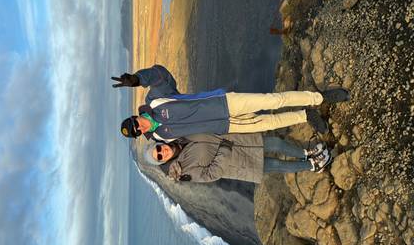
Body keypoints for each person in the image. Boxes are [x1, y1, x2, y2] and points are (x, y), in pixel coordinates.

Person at [113, 65, 350, 142]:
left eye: (137, 124)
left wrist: (137, 79)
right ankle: (305, 116)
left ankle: (319, 98)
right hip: (225, 127)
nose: (141, 128)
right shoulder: (160, 137)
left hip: (224, 103)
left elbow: (161, 75)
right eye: (138, 132)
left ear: (136, 116)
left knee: (273, 100)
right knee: (269, 123)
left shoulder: (154, 101)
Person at [142, 133, 332, 184]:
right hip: (236, 163)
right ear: (161, 162)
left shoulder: (180, 137)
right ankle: (312, 165)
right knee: (276, 164)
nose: (162, 152)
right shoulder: (182, 172)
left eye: (158, 149)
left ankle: (306, 153)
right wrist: (224, 150)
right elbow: (211, 175)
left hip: (238, 141)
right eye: (159, 157)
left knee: (275, 142)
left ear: (159, 144)